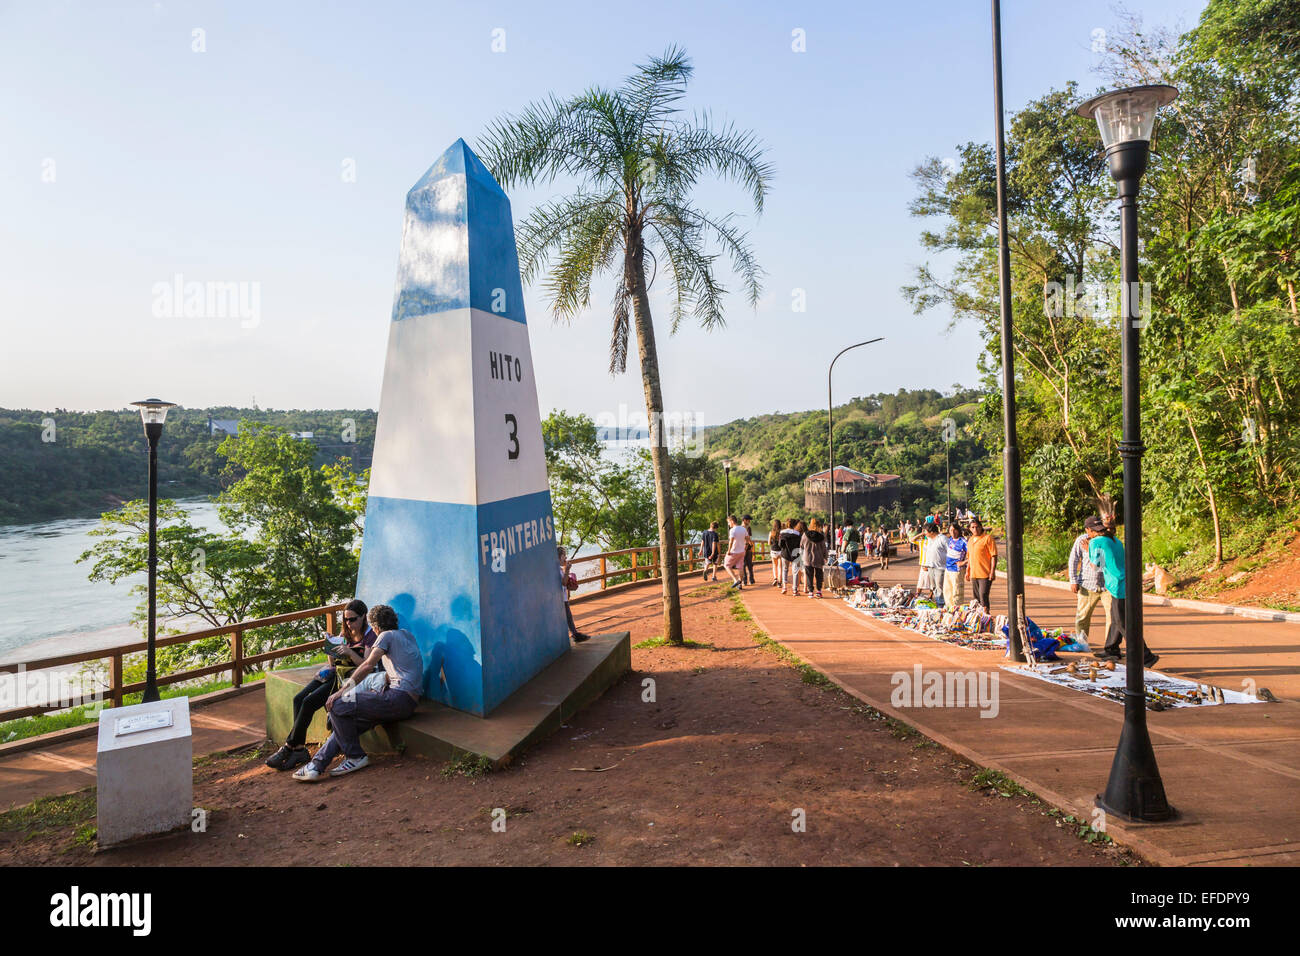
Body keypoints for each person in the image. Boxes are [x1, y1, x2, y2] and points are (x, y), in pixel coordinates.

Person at [294, 604, 425, 780]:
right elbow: (400, 671)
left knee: (338, 705)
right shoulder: (407, 635)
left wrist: (340, 692)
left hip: (397, 698)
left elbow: (367, 665)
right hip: (407, 701)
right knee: (349, 728)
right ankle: (316, 766)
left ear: (375, 627)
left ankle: (355, 756)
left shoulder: (385, 636)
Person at [266, 598, 376, 771]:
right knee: (298, 699)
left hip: (348, 677)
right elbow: (333, 663)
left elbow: (365, 664)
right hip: (334, 672)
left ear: (363, 617)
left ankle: (290, 747)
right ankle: (299, 748)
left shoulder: (370, 636)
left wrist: (349, 651)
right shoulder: (345, 632)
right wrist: (329, 646)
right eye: (346, 620)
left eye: (352, 619)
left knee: (308, 702)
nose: (348, 623)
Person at [1088, 522, 1159, 668]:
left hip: (1117, 584)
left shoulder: (1095, 541)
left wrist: (1087, 552)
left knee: (1123, 623)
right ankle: (1111, 650)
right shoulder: (1114, 539)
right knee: (1115, 618)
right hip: (1126, 581)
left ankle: (1145, 656)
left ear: (1089, 530)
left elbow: (1097, 566)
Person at [1069, 516, 1109, 644]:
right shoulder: (1081, 540)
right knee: (1082, 617)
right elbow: (1073, 560)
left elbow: (1100, 565)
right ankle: (1082, 643)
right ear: (1087, 530)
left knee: (1113, 618)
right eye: (1094, 530)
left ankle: (1110, 646)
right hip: (1087, 584)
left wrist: (1090, 549)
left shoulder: (1105, 540)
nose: (1098, 533)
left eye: (1100, 529)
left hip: (1107, 585)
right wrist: (1073, 580)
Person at [558, 545, 590, 643]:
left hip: (562, 597)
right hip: (560, 598)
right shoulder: (557, 570)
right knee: (568, 617)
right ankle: (575, 634)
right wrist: (567, 570)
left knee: (568, 617)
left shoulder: (559, 569)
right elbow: (563, 582)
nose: (566, 558)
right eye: (564, 555)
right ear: (558, 557)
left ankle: (574, 633)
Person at [965, 518, 997, 612]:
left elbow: (993, 556)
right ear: (970, 529)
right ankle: (979, 618)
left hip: (985, 573)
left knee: (983, 595)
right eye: (973, 527)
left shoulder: (987, 538)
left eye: (977, 527)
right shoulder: (970, 540)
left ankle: (986, 615)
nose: (975, 529)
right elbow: (969, 557)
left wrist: (992, 571)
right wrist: (968, 571)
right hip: (974, 573)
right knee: (976, 598)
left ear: (981, 527)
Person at [942, 521, 969, 610]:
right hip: (948, 569)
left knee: (957, 592)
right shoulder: (950, 540)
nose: (953, 532)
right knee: (947, 591)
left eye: (955, 530)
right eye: (951, 530)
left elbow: (973, 554)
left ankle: (957, 610)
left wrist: (964, 562)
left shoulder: (963, 541)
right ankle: (949, 609)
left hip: (957, 570)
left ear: (958, 530)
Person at [801, 518, 829, 598]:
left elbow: (801, 546)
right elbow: (824, 548)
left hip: (807, 558)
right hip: (818, 558)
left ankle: (810, 592)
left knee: (809, 575)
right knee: (819, 575)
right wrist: (825, 557)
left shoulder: (805, 535)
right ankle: (819, 591)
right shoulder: (822, 536)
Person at [923, 522, 949, 604]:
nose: (924, 533)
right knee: (933, 587)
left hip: (940, 567)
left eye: (925, 531)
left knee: (940, 587)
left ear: (931, 532)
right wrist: (927, 564)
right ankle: (938, 603)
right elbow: (929, 552)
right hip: (931, 567)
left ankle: (941, 605)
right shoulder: (930, 539)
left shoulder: (943, 539)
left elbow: (950, 551)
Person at [723, 514, 749, 590]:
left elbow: (731, 541)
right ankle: (740, 583)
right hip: (742, 551)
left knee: (726, 565)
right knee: (740, 567)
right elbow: (747, 539)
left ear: (732, 521)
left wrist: (728, 550)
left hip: (734, 551)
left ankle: (735, 580)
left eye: (728, 522)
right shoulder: (743, 529)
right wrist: (745, 547)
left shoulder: (732, 530)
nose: (728, 524)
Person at [777, 519, 802, 594]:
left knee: (785, 570)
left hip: (785, 554)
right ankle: (795, 589)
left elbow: (780, 544)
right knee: (795, 572)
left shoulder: (782, 533)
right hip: (795, 554)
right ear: (794, 525)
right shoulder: (797, 534)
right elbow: (799, 545)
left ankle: (784, 587)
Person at [742, 515, 756, 585]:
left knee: (743, 565)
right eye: (748, 520)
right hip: (747, 548)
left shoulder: (739, 528)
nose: (749, 522)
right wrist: (751, 545)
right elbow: (749, 538)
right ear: (744, 520)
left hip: (741, 548)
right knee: (749, 565)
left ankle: (745, 581)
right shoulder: (748, 528)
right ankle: (751, 580)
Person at [768, 519, 783, 587]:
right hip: (780, 551)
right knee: (780, 567)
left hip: (773, 551)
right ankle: (779, 583)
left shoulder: (771, 532)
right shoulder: (782, 532)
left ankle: (775, 578)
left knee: (774, 566)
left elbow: (768, 543)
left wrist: (772, 542)